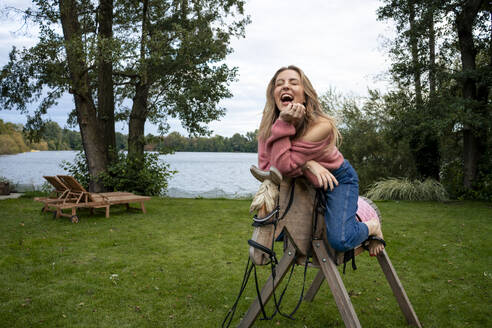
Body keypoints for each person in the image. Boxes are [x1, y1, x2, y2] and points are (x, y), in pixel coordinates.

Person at [257, 65, 385, 256]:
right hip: (306, 179)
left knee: (340, 239)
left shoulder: (321, 125)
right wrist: (309, 163)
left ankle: (371, 225)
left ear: (305, 94)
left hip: (337, 178)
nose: (285, 87)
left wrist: (284, 124)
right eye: (279, 84)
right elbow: (268, 168)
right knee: (279, 231)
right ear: (273, 94)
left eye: (293, 83)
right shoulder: (268, 127)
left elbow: (284, 166)